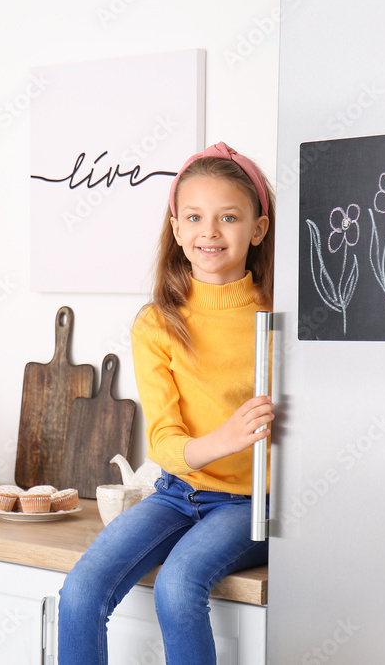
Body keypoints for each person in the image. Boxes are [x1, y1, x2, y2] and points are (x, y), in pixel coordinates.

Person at [57, 142, 276, 664]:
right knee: (80, 593)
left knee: (179, 588)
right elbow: (163, 439)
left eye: (228, 217)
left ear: (258, 229)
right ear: (177, 229)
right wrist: (223, 439)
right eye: (195, 217)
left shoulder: (276, 317)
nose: (210, 232)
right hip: (177, 492)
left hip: (249, 504)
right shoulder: (158, 323)